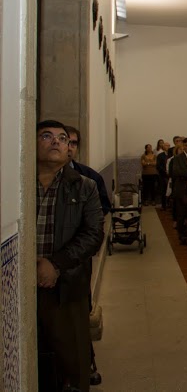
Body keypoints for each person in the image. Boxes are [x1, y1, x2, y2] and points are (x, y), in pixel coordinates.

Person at [36, 120, 104, 392]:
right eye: (46, 136)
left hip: (66, 285)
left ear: (69, 149)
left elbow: (93, 234)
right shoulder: (15, 184)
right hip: (19, 284)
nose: (56, 141)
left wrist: (56, 264)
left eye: (62, 138)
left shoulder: (85, 186)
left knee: (71, 359)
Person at [170, 137, 187, 243]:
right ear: (183, 146)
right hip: (182, 189)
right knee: (181, 213)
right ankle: (182, 236)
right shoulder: (177, 158)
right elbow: (177, 172)